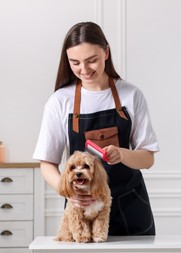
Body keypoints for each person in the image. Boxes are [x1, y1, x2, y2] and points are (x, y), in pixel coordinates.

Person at [33, 21, 159, 236]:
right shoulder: (60, 101)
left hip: (130, 206)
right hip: (82, 209)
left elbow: (147, 159)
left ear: (106, 52)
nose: (84, 70)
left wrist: (122, 154)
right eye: (75, 63)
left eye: (92, 61)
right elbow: (47, 164)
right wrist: (69, 193)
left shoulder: (131, 95)